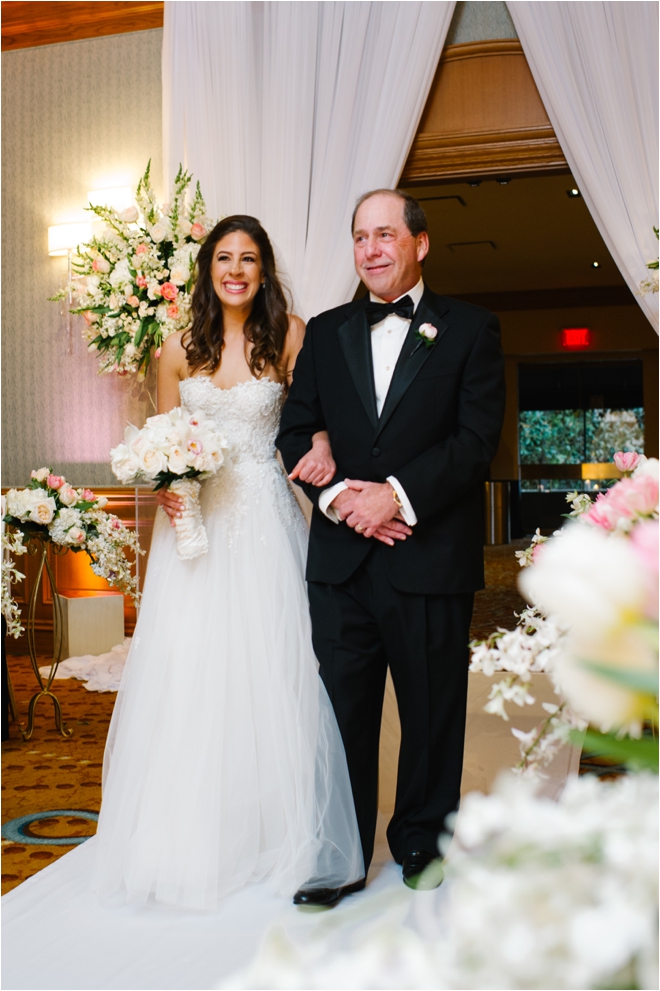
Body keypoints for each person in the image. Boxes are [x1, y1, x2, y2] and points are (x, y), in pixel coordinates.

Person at [90, 215, 364, 909]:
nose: (235, 269)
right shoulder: (179, 347)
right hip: (197, 529)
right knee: (193, 670)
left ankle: (278, 832)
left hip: (267, 519)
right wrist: (167, 492)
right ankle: (192, 833)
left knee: (273, 665)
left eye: (248, 259)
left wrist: (326, 449)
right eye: (223, 258)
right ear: (207, 269)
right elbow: (163, 441)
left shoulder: (293, 335)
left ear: (264, 270)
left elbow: (312, 422)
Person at [277, 189, 505, 904]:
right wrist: (347, 500)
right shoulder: (326, 331)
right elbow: (294, 430)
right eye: (360, 237)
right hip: (343, 564)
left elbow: (475, 443)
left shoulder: (472, 329)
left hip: (430, 555)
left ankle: (421, 841)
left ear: (420, 243)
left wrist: (395, 495)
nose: (371, 249)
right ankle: (340, 855)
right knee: (340, 712)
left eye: (385, 234)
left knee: (432, 711)